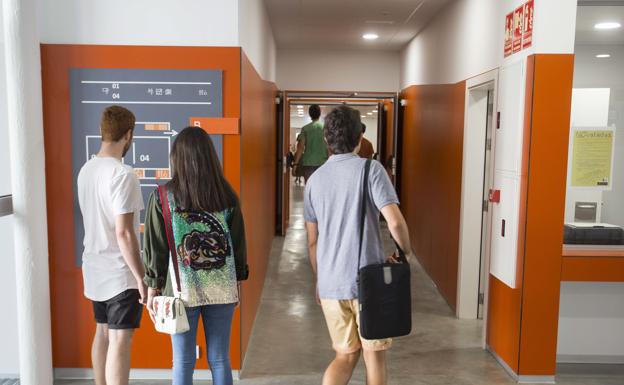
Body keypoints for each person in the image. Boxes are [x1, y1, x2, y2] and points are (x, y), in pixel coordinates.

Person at [304, 106, 415, 385]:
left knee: (344, 356)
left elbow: (313, 241)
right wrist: (406, 253)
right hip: (370, 283)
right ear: (358, 138)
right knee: (373, 356)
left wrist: (320, 280)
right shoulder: (371, 169)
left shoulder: (314, 181)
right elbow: (395, 222)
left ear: (327, 141)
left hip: (331, 283)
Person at [142, 126, 248, 385]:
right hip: (222, 288)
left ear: (176, 158)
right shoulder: (227, 195)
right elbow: (237, 244)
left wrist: (153, 287)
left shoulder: (163, 197)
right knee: (220, 358)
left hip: (180, 291)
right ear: (211, 157)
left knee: (183, 360)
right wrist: (239, 281)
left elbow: (155, 247)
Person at [77, 105, 146, 385]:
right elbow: (125, 233)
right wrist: (141, 278)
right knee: (120, 339)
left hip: (93, 267)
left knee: (102, 332)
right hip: (120, 271)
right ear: (128, 134)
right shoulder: (122, 174)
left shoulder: (86, 170)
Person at [292, 104, 329, 182]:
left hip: (308, 164)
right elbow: (329, 147)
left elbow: (300, 148)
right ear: (320, 113)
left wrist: (295, 164)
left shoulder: (305, 129)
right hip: (323, 163)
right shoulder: (325, 129)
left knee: (309, 188)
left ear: (310, 114)